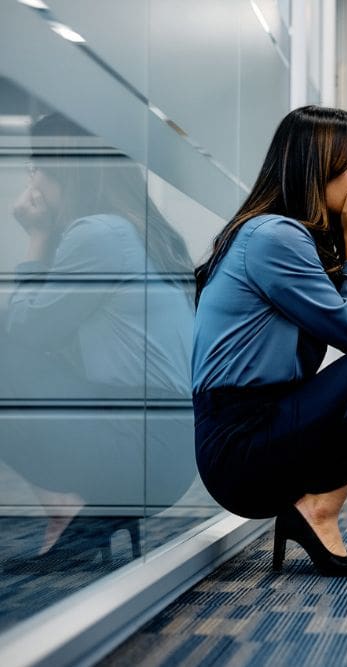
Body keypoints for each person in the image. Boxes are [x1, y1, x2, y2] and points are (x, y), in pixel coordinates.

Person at [191, 106, 347, 577]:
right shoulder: (274, 236)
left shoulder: (301, 240)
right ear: (315, 165)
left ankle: (312, 508)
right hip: (239, 443)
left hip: (266, 422)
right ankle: (316, 512)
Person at [1, 112, 195, 568]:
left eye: (35, 166)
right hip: (168, 444)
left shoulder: (97, 234)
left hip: (140, 446)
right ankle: (74, 511)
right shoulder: (138, 231)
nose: (32, 180)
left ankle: (63, 507)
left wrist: (36, 237)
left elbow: (28, 329)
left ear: (63, 171)